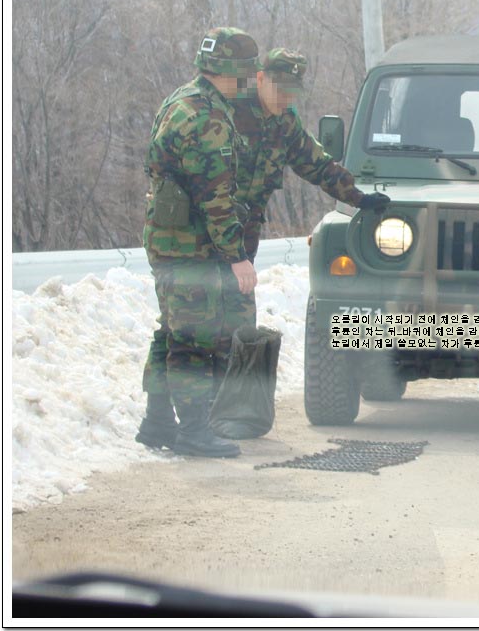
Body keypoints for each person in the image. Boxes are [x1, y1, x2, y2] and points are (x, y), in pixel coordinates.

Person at [135, 27, 260, 458]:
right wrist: (237, 257)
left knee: (171, 331)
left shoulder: (179, 99)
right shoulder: (208, 117)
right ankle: (193, 431)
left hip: (165, 239)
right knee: (192, 336)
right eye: (245, 74)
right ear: (235, 72)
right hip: (190, 246)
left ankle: (156, 422)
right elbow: (216, 199)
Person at [221, 47, 389, 337]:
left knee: (239, 319)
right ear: (260, 78)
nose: (285, 98)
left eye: (291, 92)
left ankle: (232, 365)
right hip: (210, 230)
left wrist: (358, 197)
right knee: (199, 319)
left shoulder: (285, 122)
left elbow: (318, 165)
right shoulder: (229, 111)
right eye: (279, 89)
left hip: (245, 234)